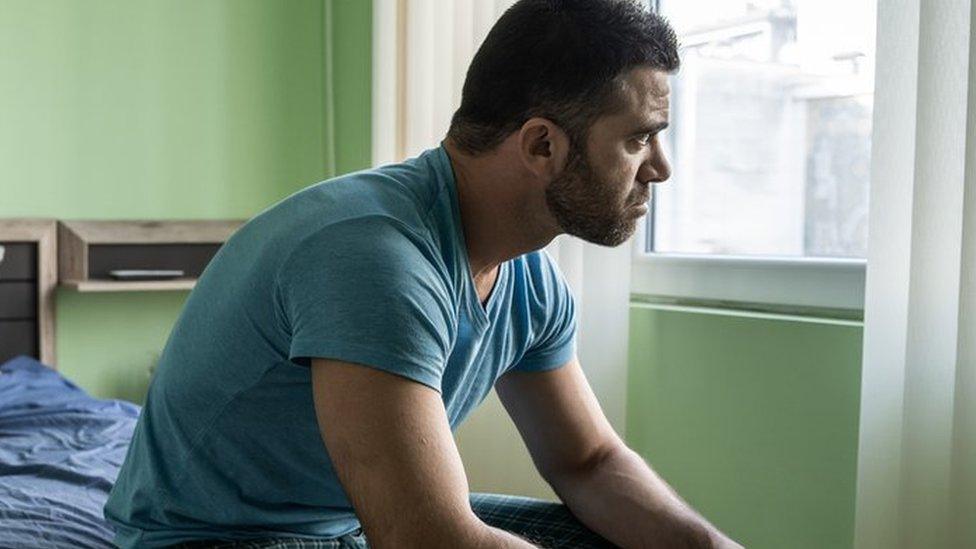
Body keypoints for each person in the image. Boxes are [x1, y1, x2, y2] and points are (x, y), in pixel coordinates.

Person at [105, 0, 743, 547]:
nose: (661, 168)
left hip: (345, 526)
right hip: (215, 538)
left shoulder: (529, 280)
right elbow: (426, 539)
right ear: (542, 145)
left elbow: (589, 460)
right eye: (639, 139)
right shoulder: (374, 258)